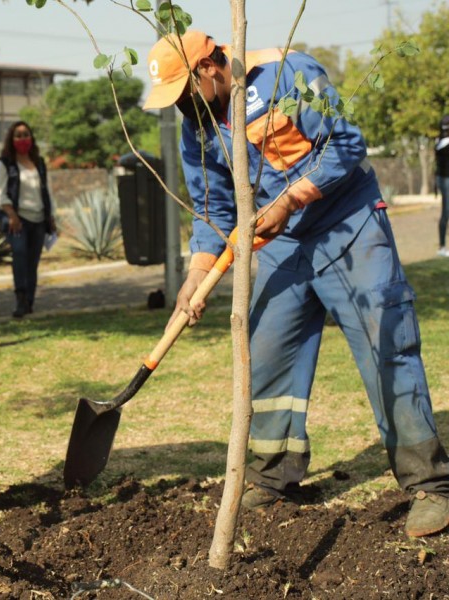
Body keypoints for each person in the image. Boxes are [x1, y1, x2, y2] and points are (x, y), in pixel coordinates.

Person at [142, 30, 449, 537]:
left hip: (348, 224)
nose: (180, 106)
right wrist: (197, 275)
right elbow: (211, 208)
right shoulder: (196, 130)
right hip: (282, 246)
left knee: (386, 344)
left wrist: (289, 200)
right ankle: (271, 476)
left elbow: (346, 144)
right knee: (268, 352)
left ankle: (428, 484)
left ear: (209, 68)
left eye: (183, 91)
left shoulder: (288, 74)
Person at [0, 121, 57, 318]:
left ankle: (30, 301)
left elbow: (47, 190)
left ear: (31, 138)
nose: (22, 139)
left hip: (39, 219)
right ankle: (20, 300)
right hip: (17, 220)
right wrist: (11, 215)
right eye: (18, 135)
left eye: (26, 134)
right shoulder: (5, 164)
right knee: (20, 257)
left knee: (33, 262)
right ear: (12, 139)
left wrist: (51, 216)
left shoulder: (39, 163)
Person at [435, 115, 449, 257]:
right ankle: (442, 246)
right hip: (445, 180)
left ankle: (442, 245)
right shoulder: (443, 143)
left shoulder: (440, 142)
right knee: (446, 212)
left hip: (443, 179)